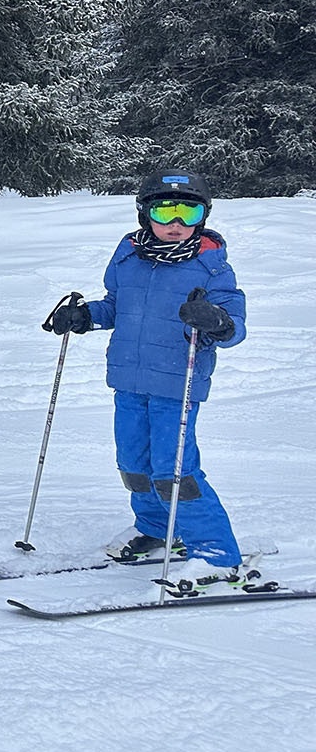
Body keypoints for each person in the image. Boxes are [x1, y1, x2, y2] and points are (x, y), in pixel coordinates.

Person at [46, 169, 249, 584]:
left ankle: (216, 552)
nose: (176, 223)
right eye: (165, 210)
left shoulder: (211, 268)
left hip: (178, 383)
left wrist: (215, 321)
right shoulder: (128, 257)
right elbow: (116, 307)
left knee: (175, 472)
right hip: (128, 380)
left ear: (203, 217)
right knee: (133, 465)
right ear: (144, 213)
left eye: (188, 212)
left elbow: (234, 326)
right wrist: (84, 317)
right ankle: (159, 529)